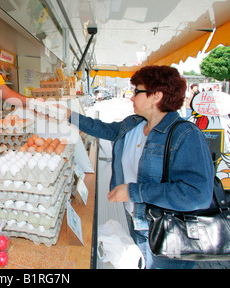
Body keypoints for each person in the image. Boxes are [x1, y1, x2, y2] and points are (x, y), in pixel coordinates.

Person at [67, 65, 214, 269]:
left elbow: (198, 194)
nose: (132, 97)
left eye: (137, 91)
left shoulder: (186, 135)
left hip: (168, 231)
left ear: (156, 96)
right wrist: (69, 116)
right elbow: (102, 128)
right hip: (136, 222)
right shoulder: (134, 124)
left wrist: (133, 191)